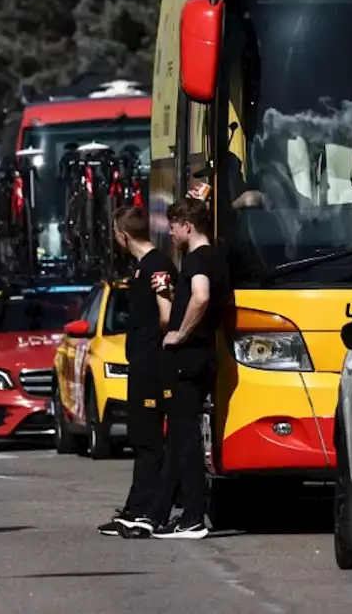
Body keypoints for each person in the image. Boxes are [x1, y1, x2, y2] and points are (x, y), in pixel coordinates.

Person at [128, 198, 228, 540]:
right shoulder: (214, 258)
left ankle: (193, 517)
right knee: (179, 440)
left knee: (184, 439)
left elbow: (200, 297)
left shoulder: (198, 260)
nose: (169, 232)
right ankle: (163, 513)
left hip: (188, 359)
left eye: (173, 225)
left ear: (188, 224)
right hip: (202, 357)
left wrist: (178, 335)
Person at [98, 206, 178, 537]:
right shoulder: (143, 267)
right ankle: (136, 504)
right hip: (141, 363)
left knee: (148, 440)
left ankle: (147, 509)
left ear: (122, 235)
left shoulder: (157, 266)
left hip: (151, 364)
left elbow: (166, 312)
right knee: (140, 436)